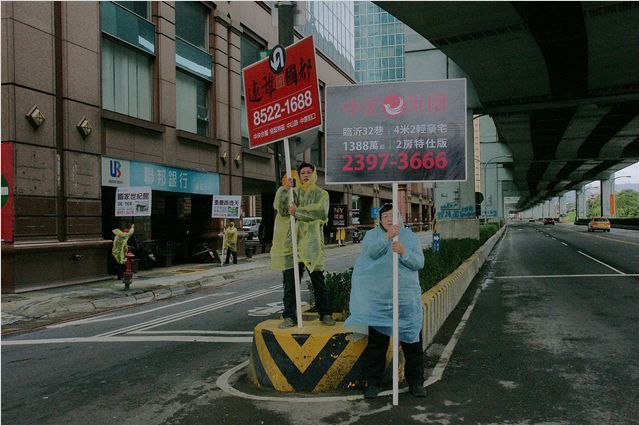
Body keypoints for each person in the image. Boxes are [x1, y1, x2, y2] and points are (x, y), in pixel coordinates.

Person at [344, 203, 427, 398]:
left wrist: (404, 252)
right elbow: (371, 253)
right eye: (385, 216)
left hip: (406, 301)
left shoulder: (411, 237)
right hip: (379, 302)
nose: (389, 219)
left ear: (399, 216)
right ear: (380, 220)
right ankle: (373, 383)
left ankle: (416, 382)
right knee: (377, 345)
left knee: (412, 344)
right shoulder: (372, 236)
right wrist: (387, 237)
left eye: (393, 215)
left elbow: (419, 263)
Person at [275, 162, 335, 329]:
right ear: (299, 176)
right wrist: (285, 190)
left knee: (318, 281)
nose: (306, 175)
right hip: (292, 245)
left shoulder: (322, 194)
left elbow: (320, 212)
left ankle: (326, 313)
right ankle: (289, 316)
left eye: (309, 172)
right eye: (303, 173)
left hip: (312, 246)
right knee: (290, 283)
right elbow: (282, 210)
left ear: (314, 174)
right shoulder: (294, 193)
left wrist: (298, 212)